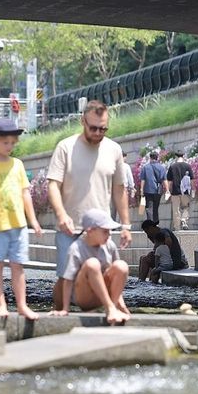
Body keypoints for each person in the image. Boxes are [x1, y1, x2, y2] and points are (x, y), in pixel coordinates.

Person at [47, 100, 132, 312]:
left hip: (99, 229)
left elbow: (119, 189)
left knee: (105, 271)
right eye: (93, 128)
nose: (97, 133)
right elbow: (53, 185)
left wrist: (126, 225)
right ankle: (60, 311)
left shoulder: (114, 149)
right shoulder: (66, 147)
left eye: (103, 129)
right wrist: (61, 215)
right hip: (70, 227)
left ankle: (110, 308)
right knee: (65, 276)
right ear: (82, 121)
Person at [0, 118, 43, 319]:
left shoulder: (17, 164)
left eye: (13, 142)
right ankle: (1, 305)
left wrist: (33, 220)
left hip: (18, 224)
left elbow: (25, 194)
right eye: (5, 142)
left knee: (18, 265)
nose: (10, 146)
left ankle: (22, 305)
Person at [49, 209, 130, 324]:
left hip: (103, 296)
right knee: (93, 264)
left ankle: (113, 306)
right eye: (105, 231)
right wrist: (65, 309)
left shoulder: (110, 246)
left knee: (121, 266)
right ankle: (110, 307)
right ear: (90, 231)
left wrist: (122, 305)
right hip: (84, 297)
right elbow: (68, 280)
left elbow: (117, 278)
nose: (109, 235)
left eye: (109, 231)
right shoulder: (76, 248)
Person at [166, 151, 194, 230]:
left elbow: (169, 181)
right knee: (186, 206)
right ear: (183, 156)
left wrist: (168, 191)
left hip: (175, 191)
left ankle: (177, 226)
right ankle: (184, 219)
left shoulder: (172, 166)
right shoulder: (188, 166)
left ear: (176, 157)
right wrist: (193, 189)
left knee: (176, 209)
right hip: (185, 191)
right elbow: (192, 179)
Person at [139, 151, 167, 224]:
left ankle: (151, 223)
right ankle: (155, 223)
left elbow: (143, 180)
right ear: (157, 158)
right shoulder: (161, 167)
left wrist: (141, 189)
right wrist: (167, 190)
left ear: (150, 158)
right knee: (156, 207)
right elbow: (164, 180)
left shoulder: (145, 167)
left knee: (149, 207)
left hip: (148, 190)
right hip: (158, 190)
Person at [112, 152, 136, 221]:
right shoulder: (126, 166)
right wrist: (132, 187)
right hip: (123, 188)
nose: (126, 159)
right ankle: (121, 223)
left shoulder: (113, 165)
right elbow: (130, 177)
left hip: (114, 188)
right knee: (123, 207)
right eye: (125, 157)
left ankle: (113, 222)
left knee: (114, 207)